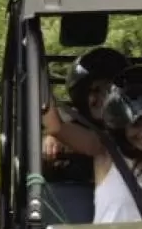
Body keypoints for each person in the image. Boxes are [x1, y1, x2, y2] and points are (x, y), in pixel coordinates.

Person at [42, 64, 142, 222]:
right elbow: (56, 127)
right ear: (122, 124)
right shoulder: (105, 150)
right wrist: (37, 67)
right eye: (136, 125)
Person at [42, 47, 129, 182]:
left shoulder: (133, 130)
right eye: (95, 90)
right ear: (82, 95)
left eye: (110, 91)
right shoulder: (69, 121)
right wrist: (53, 139)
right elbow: (57, 128)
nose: (103, 98)